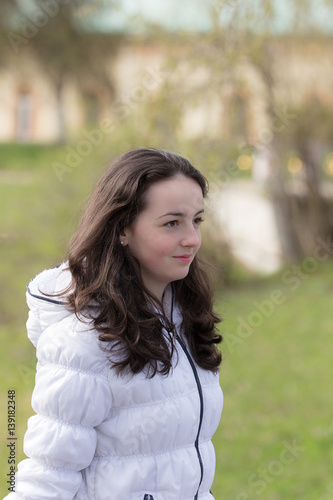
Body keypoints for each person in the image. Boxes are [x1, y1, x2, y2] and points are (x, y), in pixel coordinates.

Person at [6, 147, 223, 500]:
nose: (192, 239)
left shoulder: (183, 319)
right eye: (172, 223)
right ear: (123, 229)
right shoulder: (83, 342)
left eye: (196, 220)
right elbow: (48, 477)